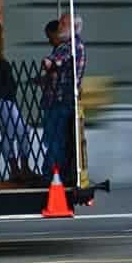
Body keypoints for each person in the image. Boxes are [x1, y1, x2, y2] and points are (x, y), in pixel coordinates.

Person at [0, 21, 32, 181]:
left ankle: (17, 168)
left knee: (11, 133)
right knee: (21, 131)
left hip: (0, 99)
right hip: (2, 99)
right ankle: (20, 168)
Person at [41, 13, 86, 181]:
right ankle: (54, 175)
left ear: (73, 27)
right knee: (55, 140)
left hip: (60, 102)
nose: (59, 25)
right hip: (58, 100)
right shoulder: (67, 44)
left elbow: (58, 61)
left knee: (55, 141)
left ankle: (52, 177)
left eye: (63, 23)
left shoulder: (71, 45)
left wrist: (48, 62)